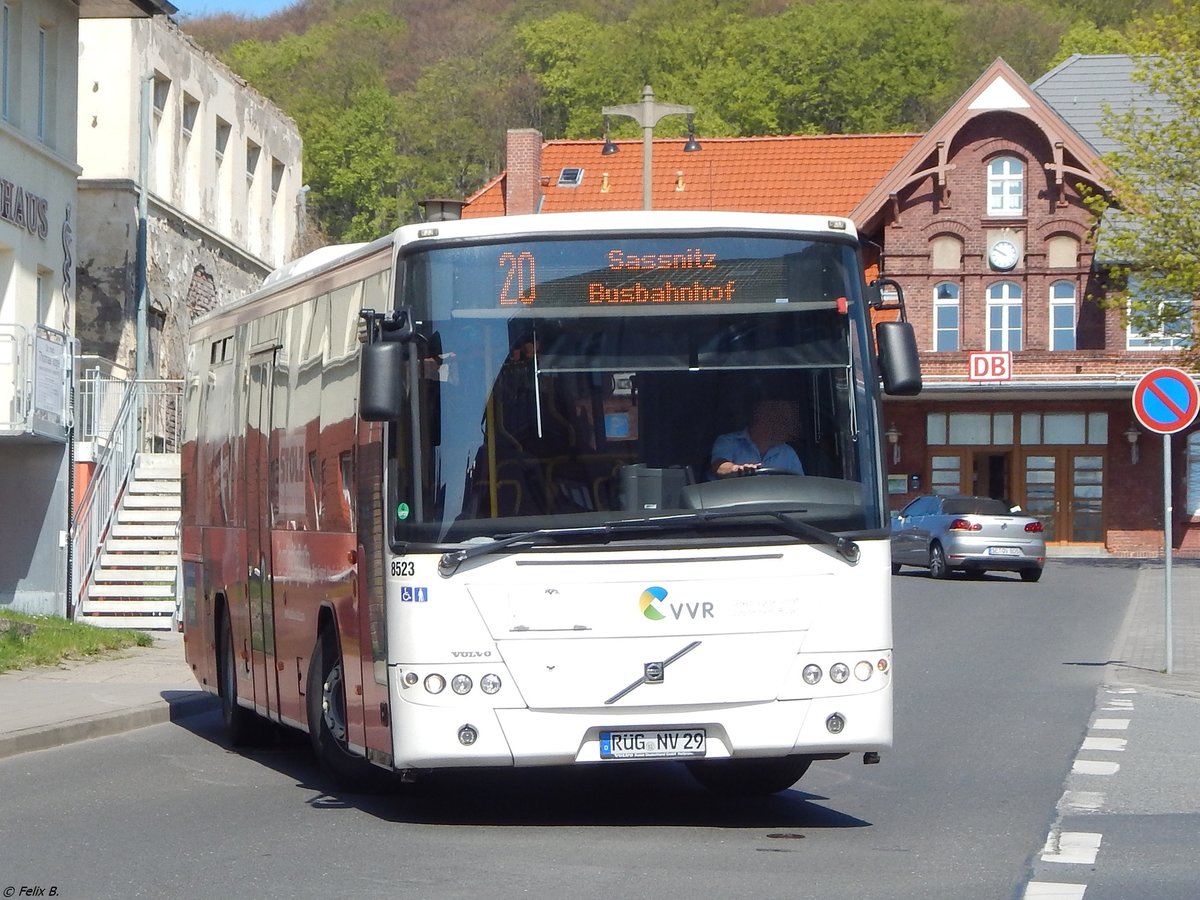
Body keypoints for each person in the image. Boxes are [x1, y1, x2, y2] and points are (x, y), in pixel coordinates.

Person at [710, 399, 804, 478]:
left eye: (788, 421)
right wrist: (736, 470)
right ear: (762, 418)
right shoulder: (728, 442)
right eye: (782, 419)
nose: (788, 426)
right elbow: (720, 467)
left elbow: (800, 485)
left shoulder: (788, 452)